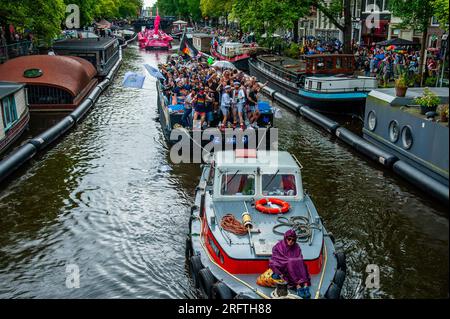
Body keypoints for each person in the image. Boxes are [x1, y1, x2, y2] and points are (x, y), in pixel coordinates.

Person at [269, 229, 311, 299]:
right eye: (289, 239)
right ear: (285, 238)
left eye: (293, 240)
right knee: (290, 262)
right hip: (283, 266)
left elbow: (299, 256)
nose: (291, 241)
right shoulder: (279, 246)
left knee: (300, 261)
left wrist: (294, 260)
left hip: (295, 265)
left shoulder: (296, 246)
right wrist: (289, 261)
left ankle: (305, 284)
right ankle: (298, 286)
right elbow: (276, 258)